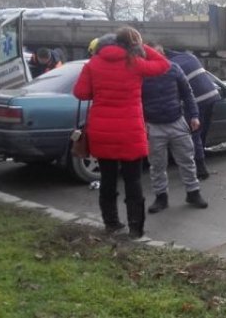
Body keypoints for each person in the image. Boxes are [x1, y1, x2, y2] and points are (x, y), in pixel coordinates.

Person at [73, 26, 170, 239]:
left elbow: (80, 92)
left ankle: (112, 224)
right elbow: (164, 64)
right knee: (133, 181)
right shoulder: (133, 62)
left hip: (102, 132)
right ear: (129, 44)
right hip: (130, 133)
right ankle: (136, 228)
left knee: (107, 180)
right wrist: (140, 45)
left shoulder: (94, 63)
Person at [142, 45, 209, 214]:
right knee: (157, 165)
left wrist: (194, 115)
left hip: (176, 122)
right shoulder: (142, 74)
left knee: (187, 159)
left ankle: (193, 193)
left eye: (159, 55)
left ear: (163, 55)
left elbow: (188, 93)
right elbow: (136, 99)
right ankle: (161, 198)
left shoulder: (173, 68)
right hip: (153, 125)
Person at [162, 47, 221, 179]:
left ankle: (201, 169)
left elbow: (176, 90)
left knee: (194, 134)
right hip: (212, 96)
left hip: (197, 100)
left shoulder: (172, 65)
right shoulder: (189, 57)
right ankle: (200, 159)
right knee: (202, 132)